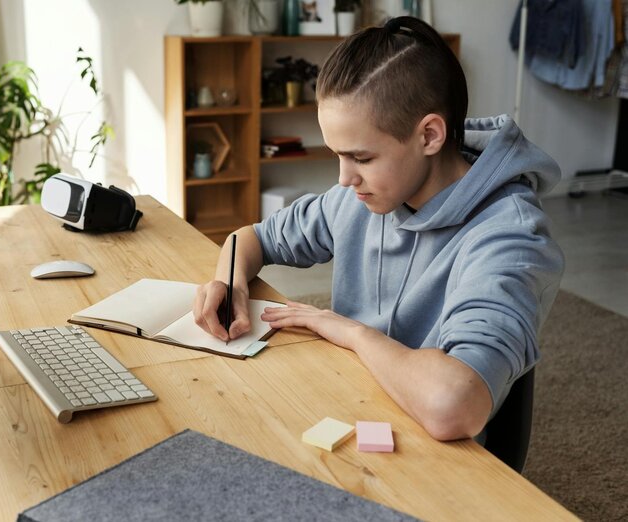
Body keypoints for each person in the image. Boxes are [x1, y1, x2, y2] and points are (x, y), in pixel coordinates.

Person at [192, 16, 564, 442]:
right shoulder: (361, 196)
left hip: (436, 454)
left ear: (429, 135)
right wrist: (230, 283)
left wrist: (348, 331)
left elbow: (454, 406)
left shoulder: (509, 239)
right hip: (351, 405)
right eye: (337, 154)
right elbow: (250, 239)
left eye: (361, 158)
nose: (344, 178)